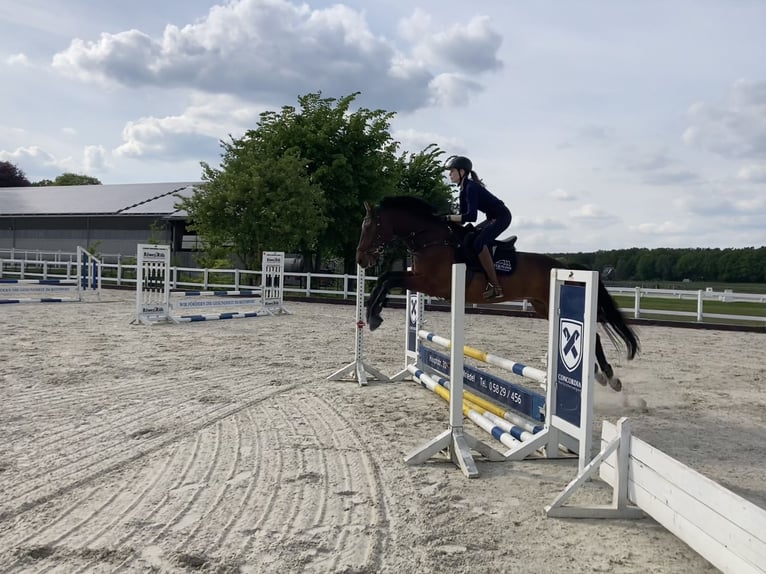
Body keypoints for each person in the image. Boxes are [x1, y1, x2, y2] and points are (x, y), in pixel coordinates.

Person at [443, 155, 512, 299]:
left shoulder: (471, 188)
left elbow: (471, 217)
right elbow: (461, 220)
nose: (449, 174)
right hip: (492, 218)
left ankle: (496, 286)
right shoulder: (463, 190)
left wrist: (448, 217)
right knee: (469, 238)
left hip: (501, 217)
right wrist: (444, 219)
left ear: (462, 172)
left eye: (452, 171)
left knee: (479, 242)